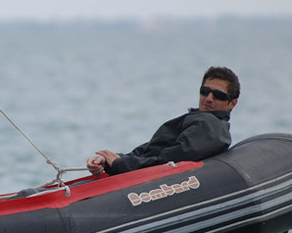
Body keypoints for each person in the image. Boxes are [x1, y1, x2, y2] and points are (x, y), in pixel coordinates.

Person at [87, 66, 240, 176]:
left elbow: (169, 162)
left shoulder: (210, 126)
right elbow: (151, 151)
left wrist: (120, 164)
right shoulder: (198, 120)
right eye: (205, 91)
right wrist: (110, 160)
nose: (209, 98)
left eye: (218, 95)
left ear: (232, 103)